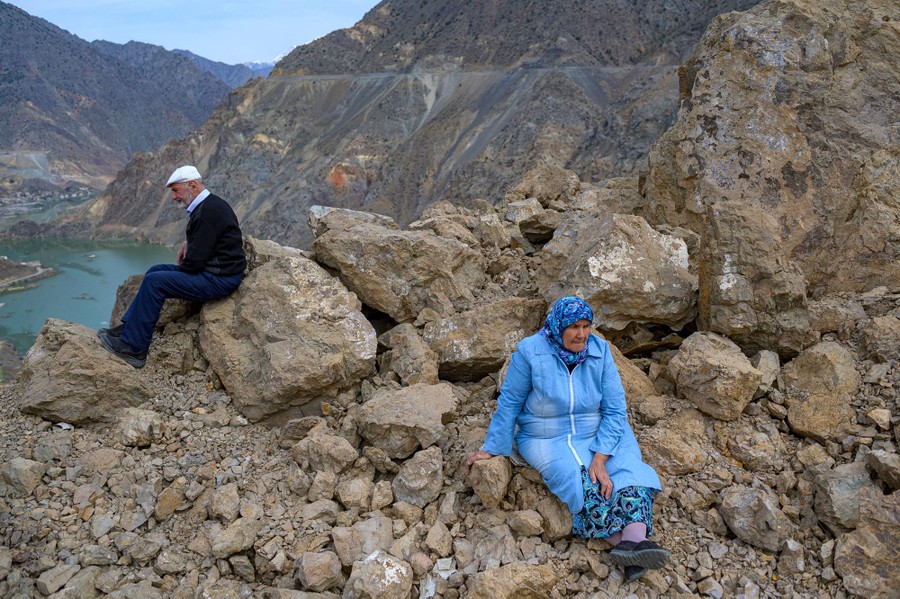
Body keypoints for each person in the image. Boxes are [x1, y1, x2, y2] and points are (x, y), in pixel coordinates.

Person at [466, 296, 668, 582]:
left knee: (629, 475)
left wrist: (600, 457)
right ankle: (636, 545)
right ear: (558, 326)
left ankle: (631, 546)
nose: (582, 334)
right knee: (581, 484)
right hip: (545, 433)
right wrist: (492, 448)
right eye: (574, 326)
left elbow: (615, 409)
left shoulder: (600, 351)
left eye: (586, 326)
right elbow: (509, 403)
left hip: (600, 428)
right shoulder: (530, 353)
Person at [98, 165, 246, 368]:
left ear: (192, 185)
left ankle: (134, 349)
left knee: (155, 282)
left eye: (176, 190)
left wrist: (191, 251)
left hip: (219, 280)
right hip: (218, 273)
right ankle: (127, 330)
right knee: (155, 271)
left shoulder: (207, 212)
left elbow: (193, 264)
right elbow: (209, 238)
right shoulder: (210, 205)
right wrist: (190, 243)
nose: (174, 197)